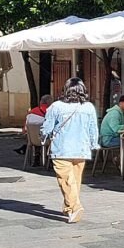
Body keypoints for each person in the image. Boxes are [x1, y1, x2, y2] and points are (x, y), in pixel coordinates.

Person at [41, 78, 99, 224]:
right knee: (74, 181)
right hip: (81, 149)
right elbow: (93, 129)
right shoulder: (89, 107)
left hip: (62, 148)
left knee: (66, 181)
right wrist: (93, 144)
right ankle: (69, 208)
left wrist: (42, 137)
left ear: (66, 90)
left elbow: (47, 127)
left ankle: (75, 207)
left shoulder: (56, 106)